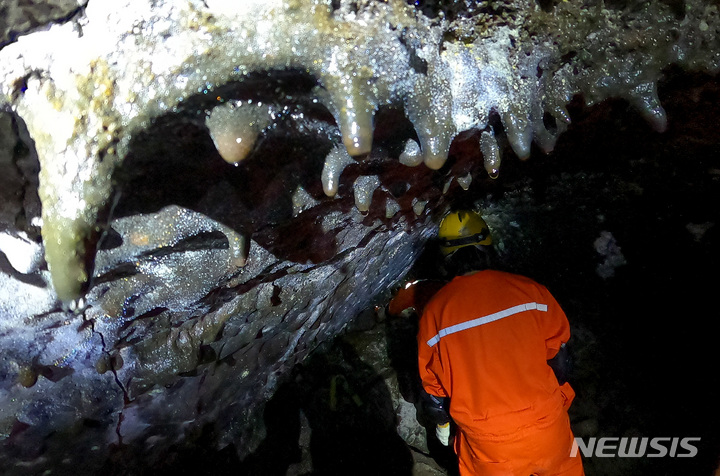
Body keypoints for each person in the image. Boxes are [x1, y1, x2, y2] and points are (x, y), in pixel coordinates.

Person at [415, 210, 585, 476]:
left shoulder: (435, 314)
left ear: (445, 257)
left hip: (489, 447)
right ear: (487, 247)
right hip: (547, 429)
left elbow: (434, 396)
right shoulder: (531, 292)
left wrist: (444, 429)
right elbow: (562, 363)